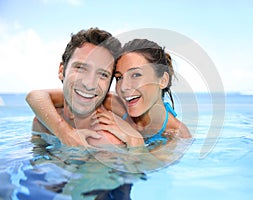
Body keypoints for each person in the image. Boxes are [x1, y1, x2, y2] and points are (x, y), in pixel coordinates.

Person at [27, 38, 192, 152]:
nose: (125, 87)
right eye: (119, 77)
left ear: (162, 80)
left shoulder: (177, 134)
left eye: (136, 75)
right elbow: (37, 96)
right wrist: (66, 133)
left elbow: (146, 171)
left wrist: (135, 141)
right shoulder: (116, 103)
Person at [26, 27, 124, 146]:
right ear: (62, 71)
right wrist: (65, 132)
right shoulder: (42, 124)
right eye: (81, 68)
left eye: (103, 74)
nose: (89, 84)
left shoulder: (109, 140)